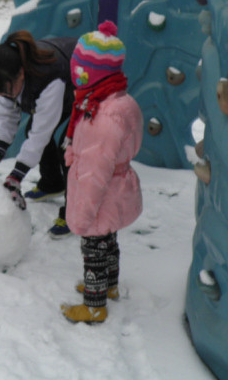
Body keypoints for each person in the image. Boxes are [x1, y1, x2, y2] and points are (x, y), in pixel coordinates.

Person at [59, 21, 144, 324]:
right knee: (108, 240)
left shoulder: (102, 116)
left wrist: (83, 213)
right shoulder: (116, 99)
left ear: (88, 72)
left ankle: (94, 305)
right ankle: (109, 286)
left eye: (78, 68)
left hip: (102, 193)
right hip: (117, 186)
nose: (75, 73)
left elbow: (95, 173)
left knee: (94, 244)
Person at [0, 30, 77, 238]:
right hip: (65, 89)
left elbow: (41, 133)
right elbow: (6, 116)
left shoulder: (49, 78)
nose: (3, 96)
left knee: (70, 147)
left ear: (21, 74)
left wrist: (17, 175)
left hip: (89, 87)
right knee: (31, 130)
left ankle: (75, 211)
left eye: (4, 92)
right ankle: (52, 183)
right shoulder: (4, 76)